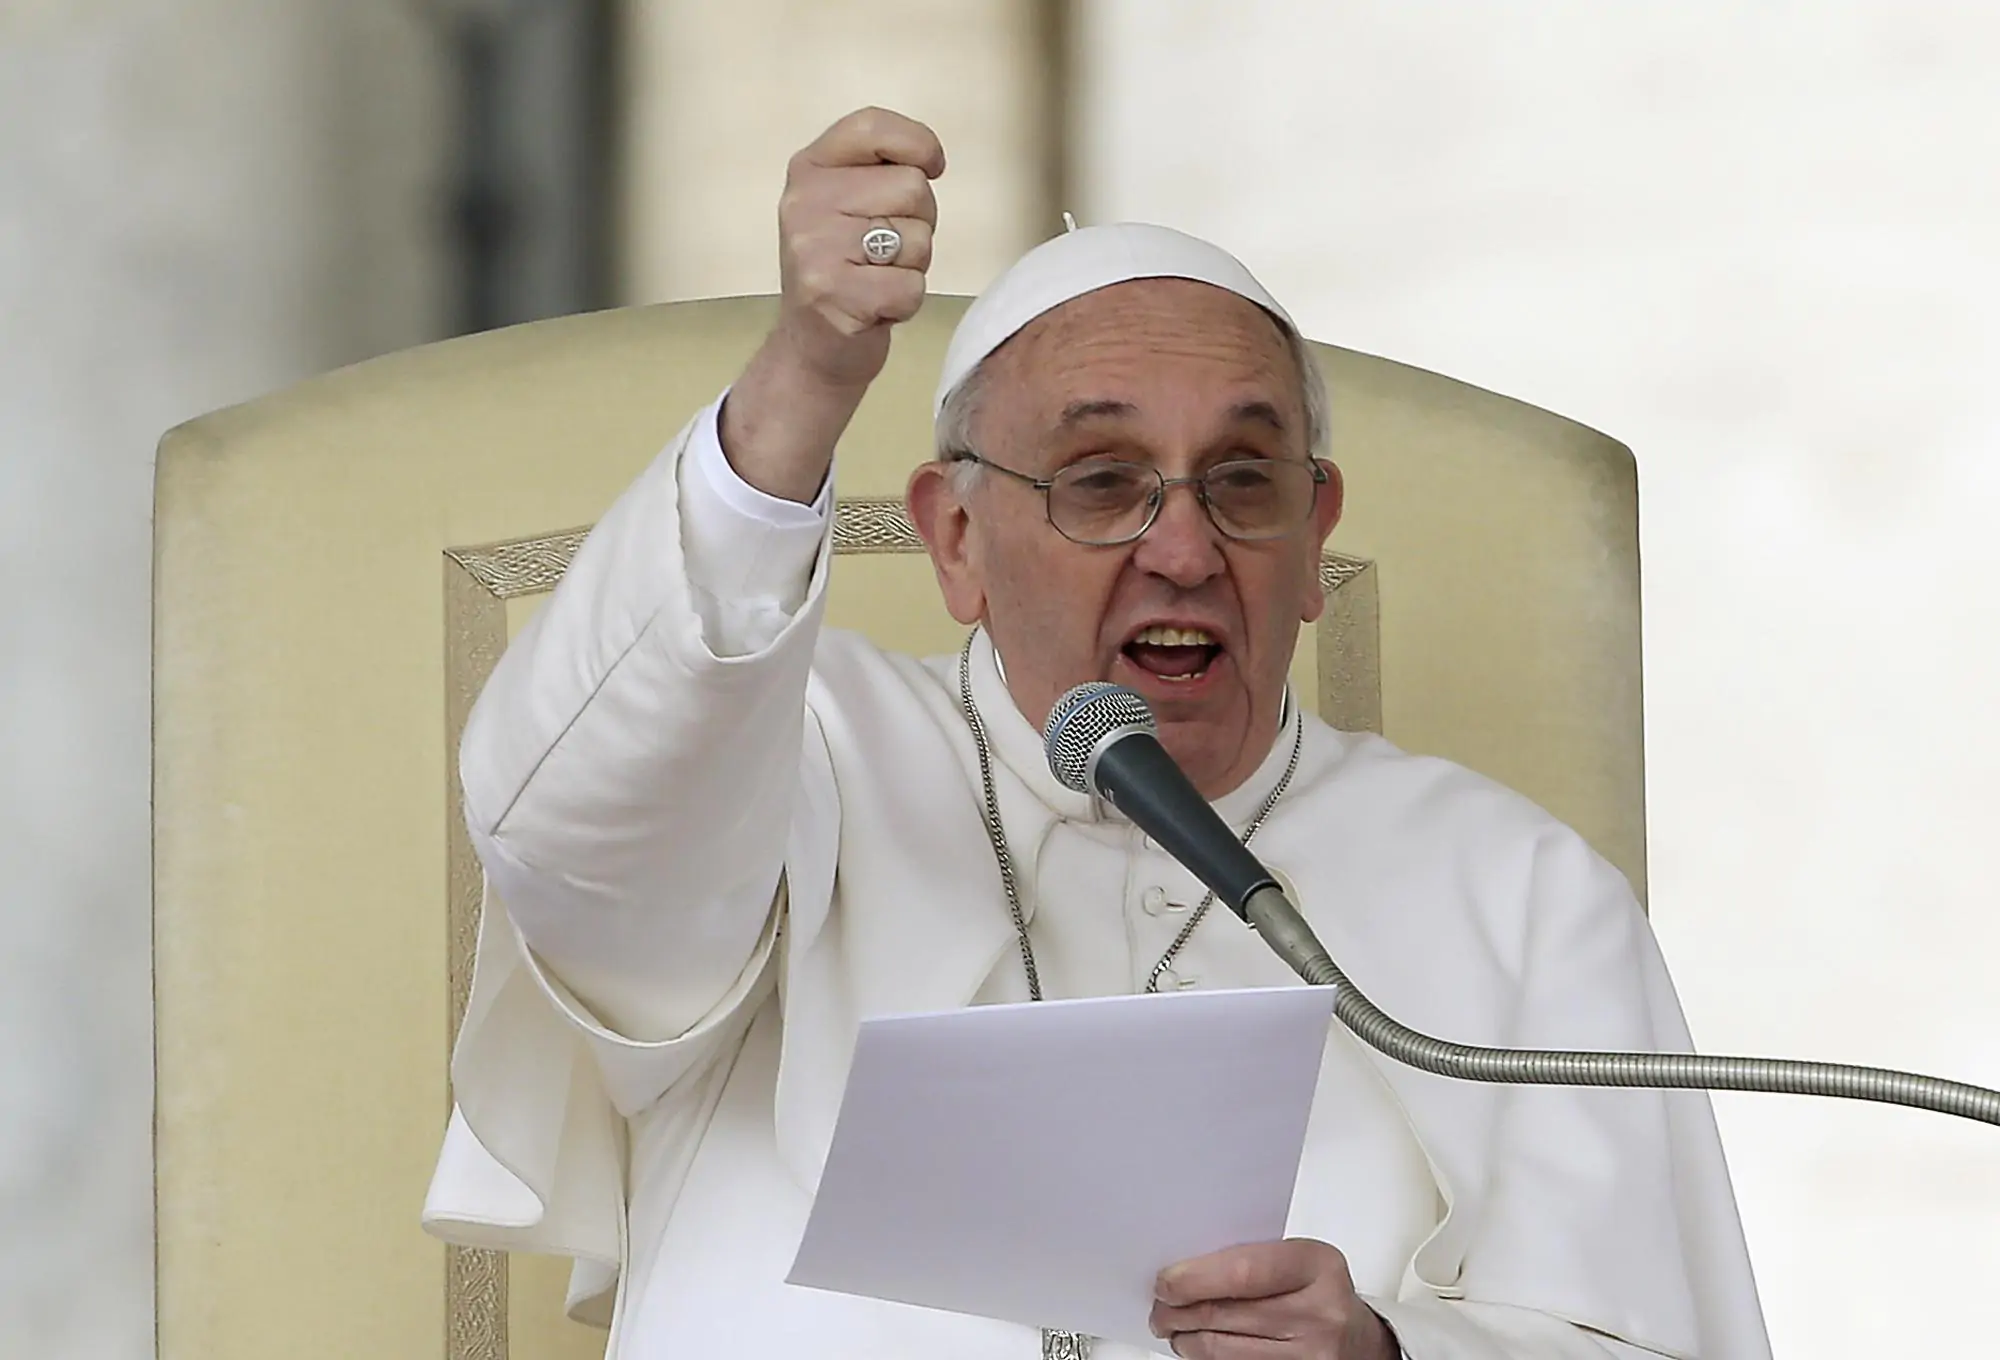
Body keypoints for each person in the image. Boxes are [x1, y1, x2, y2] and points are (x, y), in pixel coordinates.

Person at [422, 107, 1772, 1360]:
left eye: (1244, 482)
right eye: (1100, 481)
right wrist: (804, 380)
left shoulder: (1516, 892)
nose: (1181, 547)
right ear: (957, 536)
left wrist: (1389, 1354)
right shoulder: (798, 759)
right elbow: (571, 834)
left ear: (1314, 540)